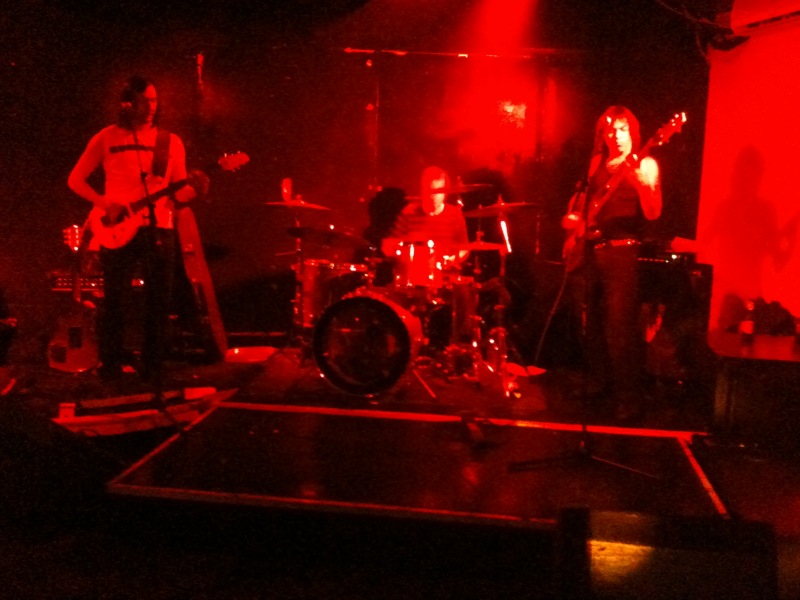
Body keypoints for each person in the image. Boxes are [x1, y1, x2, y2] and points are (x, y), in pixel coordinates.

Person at [68, 75, 198, 383]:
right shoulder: (106, 138)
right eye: (144, 100)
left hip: (159, 226)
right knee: (115, 299)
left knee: (159, 301)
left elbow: (178, 192)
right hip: (115, 228)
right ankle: (111, 365)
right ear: (127, 103)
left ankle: (153, 367)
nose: (151, 106)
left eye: (154, 100)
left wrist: (195, 189)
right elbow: (75, 180)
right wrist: (104, 203)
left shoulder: (170, 142)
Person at [561, 105, 662, 421]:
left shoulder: (645, 163)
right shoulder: (596, 164)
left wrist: (642, 185)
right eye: (609, 131)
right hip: (592, 251)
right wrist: (573, 225)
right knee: (588, 322)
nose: (615, 136)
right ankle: (598, 381)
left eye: (622, 130)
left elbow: (653, 212)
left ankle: (628, 397)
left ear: (633, 132)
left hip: (622, 253)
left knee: (619, 328)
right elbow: (582, 203)